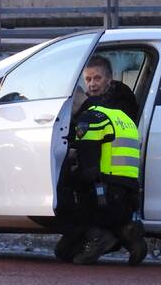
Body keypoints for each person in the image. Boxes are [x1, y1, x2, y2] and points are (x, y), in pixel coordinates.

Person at [54, 56, 147, 266]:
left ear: (109, 79)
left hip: (105, 193)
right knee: (65, 249)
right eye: (88, 79)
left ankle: (98, 236)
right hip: (127, 195)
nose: (92, 84)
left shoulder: (97, 115)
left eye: (97, 78)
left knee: (61, 196)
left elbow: (88, 168)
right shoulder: (118, 116)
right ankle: (125, 232)